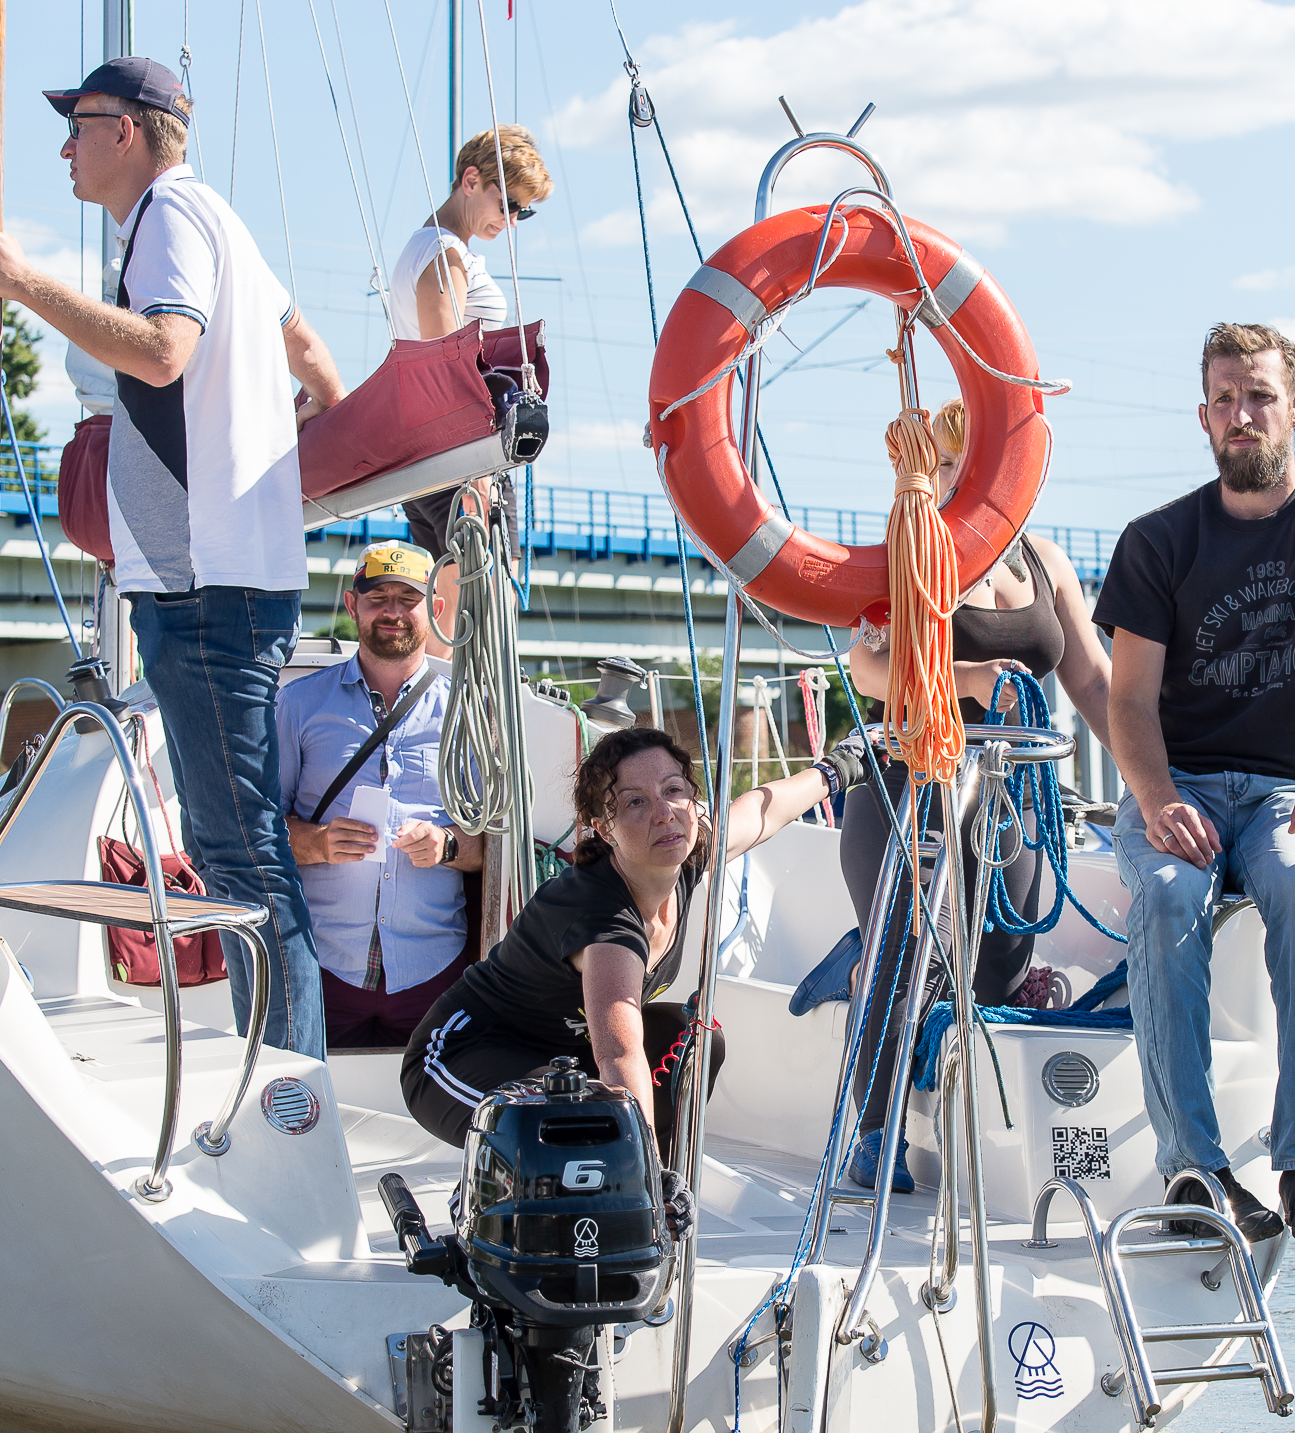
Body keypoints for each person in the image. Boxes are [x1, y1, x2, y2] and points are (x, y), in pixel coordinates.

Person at [0, 56, 344, 1058]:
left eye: (78, 126)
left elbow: (163, 353)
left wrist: (20, 283)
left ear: (127, 130)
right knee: (243, 850)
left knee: (242, 860)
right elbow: (312, 359)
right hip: (226, 581)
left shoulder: (170, 219)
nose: (64, 148)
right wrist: (272, 433)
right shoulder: (218, 222)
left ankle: (284, 1096)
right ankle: (284, 1079)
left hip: (200, 591)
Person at [1094, 323, 1295, 1244]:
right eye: (1226, 399)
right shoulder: (1158, 541)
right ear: (1203, 418)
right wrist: (1157, 801)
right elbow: (1129, 701)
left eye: (1261, 396)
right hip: (1182, 784)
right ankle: (1194, 1170)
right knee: (1162, 897)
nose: (1243, 414)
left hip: (1291, 789)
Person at [838, 399, 1114, 1193]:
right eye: (952, 465)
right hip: (908, 783)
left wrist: (1149, 781)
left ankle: (971, 1122)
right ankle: (876, 1125)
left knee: (999, 964)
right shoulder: (912, 547)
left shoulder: (1044, 560)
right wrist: (971, 679)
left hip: (1011, 794)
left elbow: (1091, 678)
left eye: (983, 462)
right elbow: (867, 669)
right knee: (903, 957)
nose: (970, 479)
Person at [402, 727, 854, 1161]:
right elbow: (618, 1055)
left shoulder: (679, 850)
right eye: (636, 802)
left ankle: (662, 1186)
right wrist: (641, 1171)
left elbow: (762, 812)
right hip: (460, 1056)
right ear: (604, 828)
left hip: (567, 1059)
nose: (664, 812)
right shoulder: (601, 916)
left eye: (674, 790)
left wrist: (841, 767)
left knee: (693, 1040)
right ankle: (639, 1184)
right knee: (559, 1121)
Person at [277, 542, 485, 1049]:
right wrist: (319, 843)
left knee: (434, 1122)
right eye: (378, 597)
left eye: (407, 599)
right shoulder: (298, 704)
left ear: (435, 611)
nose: (392, 611)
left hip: (434, 972)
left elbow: (497, 846)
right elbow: (261, 829)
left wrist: (446, 845)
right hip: (321, 966)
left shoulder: (467, 712)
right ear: (353, 606)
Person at [389, 125, 554, 609]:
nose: (514, 220)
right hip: (457, 457)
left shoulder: (431, 248)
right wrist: (477, 473)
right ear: (471, 181)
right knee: (480, 601)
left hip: (429, 454)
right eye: (508, 205)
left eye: (526, 210)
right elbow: (445, 368)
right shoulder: (445, 255)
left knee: (450, 601)